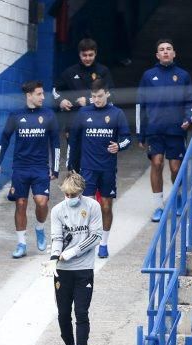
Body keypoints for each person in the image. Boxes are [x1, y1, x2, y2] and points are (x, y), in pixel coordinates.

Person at [0, 80, 60, 258]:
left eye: (43, 94)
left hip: (40, 168)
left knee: (41, 202)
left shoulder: (49, 115)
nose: (42, 97)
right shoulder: (16, 115)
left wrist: (55, 168)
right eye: (39, 94)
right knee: (20, 204)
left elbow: (56, 143)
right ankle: (21, 243)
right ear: (29, 95)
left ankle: (39, 227)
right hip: (20, 168)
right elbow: (4, 139)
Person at [41, 173, 102, 345]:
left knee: (81, 312)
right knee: (63, 314)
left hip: (83, 267)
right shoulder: (58, 210)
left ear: (81, 192)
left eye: (73, 194)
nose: (70, 198)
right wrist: (54, 259)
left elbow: (95, 236)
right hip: (64, 270)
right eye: (67, 194)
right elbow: (57, 237)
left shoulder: (93, 206)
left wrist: (73, 252)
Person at [67, 79, 131, 258]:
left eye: (100, 96)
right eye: (94, 96)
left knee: (106, 206)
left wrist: (119, 146)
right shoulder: (83, 112)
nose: (97, 100)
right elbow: (73, 140)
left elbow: (127, 138)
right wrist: (71, 165)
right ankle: (86, 243)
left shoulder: (117, 114)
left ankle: (103, 243)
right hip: (87, 169)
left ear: (107, 94)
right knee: (86, 208)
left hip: (107, 169)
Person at [136, 38, 192, 222]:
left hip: (176, 130)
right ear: (157, 55)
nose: (165, 52)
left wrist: (189, 119)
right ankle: (158, 206)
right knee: (156, 163)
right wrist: (141, 133)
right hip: (155, 130)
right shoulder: (148, 76)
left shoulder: (183, 75)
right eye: (161, 49)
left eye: (168, 49)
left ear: (174, 53)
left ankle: (178, 197)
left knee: (175, 167)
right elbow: (141, 105)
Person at [53, 38, 115, 133]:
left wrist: (88, 101)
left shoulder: (103, 71)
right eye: (84, 55)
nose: (87, 58)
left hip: (99, 120)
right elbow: (55, 90)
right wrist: (61, 101)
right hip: (74, 121)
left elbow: (111, 94)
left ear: (96, 53)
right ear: (79, 54)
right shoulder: (70, 72)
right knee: (73, 147)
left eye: (90, 55)